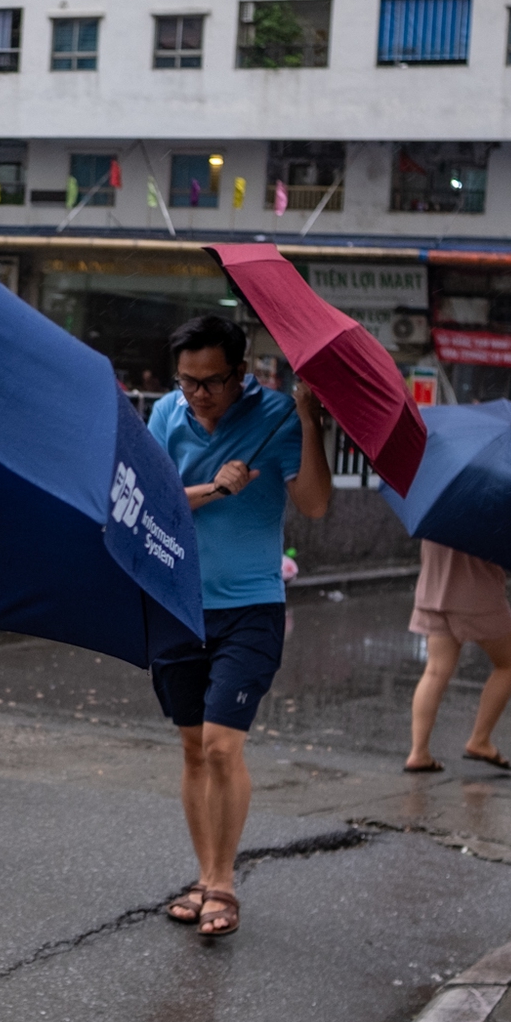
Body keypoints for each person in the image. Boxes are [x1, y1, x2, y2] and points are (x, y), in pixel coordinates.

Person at [148, 315, 330, 937]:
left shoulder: (276, 416)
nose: (199, 395)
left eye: (213, 382)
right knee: (194, 748)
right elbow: (150, 501)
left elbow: (314, 504)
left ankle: (224, 883)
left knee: (224, 746)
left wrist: (311, 421)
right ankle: (203, 877)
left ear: (240, 372)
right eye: (188, 381)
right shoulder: (166, 417)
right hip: (179, 603)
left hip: (251, 604)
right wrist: (212, 487)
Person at [403, 538, 511, 773]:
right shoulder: (490, 507)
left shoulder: (436, 504)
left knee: (435, 671)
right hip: (476, 595)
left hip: (432, 593)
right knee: (509, 663)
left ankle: (419, 752)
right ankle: (480, 740)